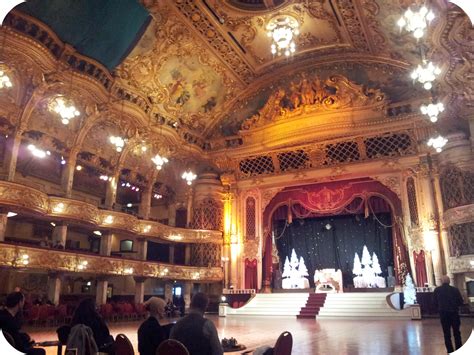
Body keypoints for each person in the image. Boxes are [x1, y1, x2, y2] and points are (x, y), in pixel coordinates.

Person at [434, 275, 464, 353]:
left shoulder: (437, 290)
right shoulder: (455, 290)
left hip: (443, 314)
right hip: (454, 313)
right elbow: (460, 301)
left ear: (441, 281)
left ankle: (450, 350)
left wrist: (440, 308)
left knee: (446, 334)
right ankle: (459, 349)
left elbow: (434, 302)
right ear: (449, 281)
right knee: (457, 333)